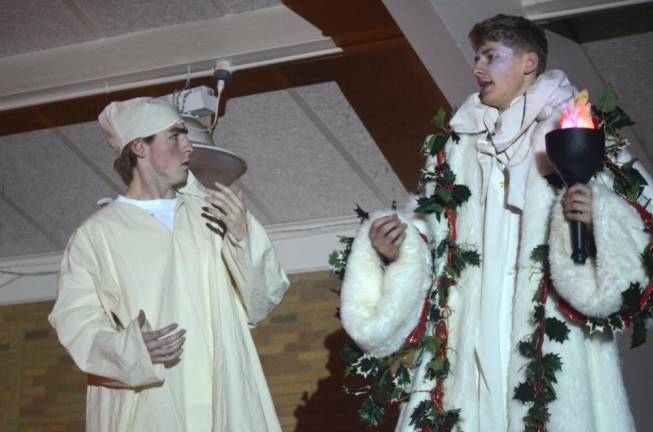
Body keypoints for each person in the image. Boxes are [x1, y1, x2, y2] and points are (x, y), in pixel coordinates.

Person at [340, 14, 649, 432]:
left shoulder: (580, 127)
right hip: (473, 308)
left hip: (544, 312)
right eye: (477, 57)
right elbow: (431, 222)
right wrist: (399, 242)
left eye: (491, 56)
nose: (477, 69)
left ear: (528, 63)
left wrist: (599, 213)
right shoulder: (458, 144)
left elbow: (641, 215)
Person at [49, 97, 290, 431]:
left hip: (224, 394)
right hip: (152, 402)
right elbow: (75, 321)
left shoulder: (213, 213)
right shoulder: (97, 235)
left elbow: (261, 301)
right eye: (175, 136)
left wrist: (241, 238)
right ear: (139, 147)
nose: (189, 146)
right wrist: (129, 349)